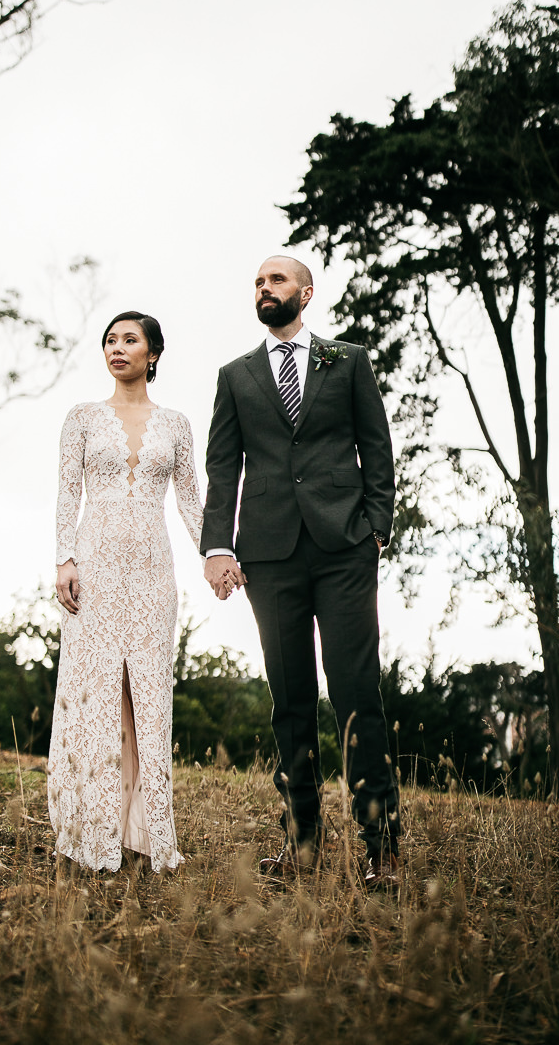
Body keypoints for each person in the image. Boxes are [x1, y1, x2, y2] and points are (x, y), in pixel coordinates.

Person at [201, 256, 400, 885]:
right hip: (268, 554)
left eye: (277, 281)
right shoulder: (235, 376)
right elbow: (223, 467)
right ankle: (301, 845)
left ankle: (381, 845)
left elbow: (378, 446)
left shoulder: (348, 362)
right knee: (289, 700)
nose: (265, 289)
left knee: (355, 694)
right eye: (258, 282)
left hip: (344, 548)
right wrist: (218, 547)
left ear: (305, 294)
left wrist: (376, 528)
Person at [49, 311, 208, 873]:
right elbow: (68, 495)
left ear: (153, 353)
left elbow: (192, 503)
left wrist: (219, 555)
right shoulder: (83, 419)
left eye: (130, 340)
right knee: (93, 693)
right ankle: (88, 833)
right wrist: (64, 559)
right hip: (93, 565)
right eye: (110, 340)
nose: (117, 349)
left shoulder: (176, 425)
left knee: (148, 697)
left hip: (152, 571)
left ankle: (146, 835)